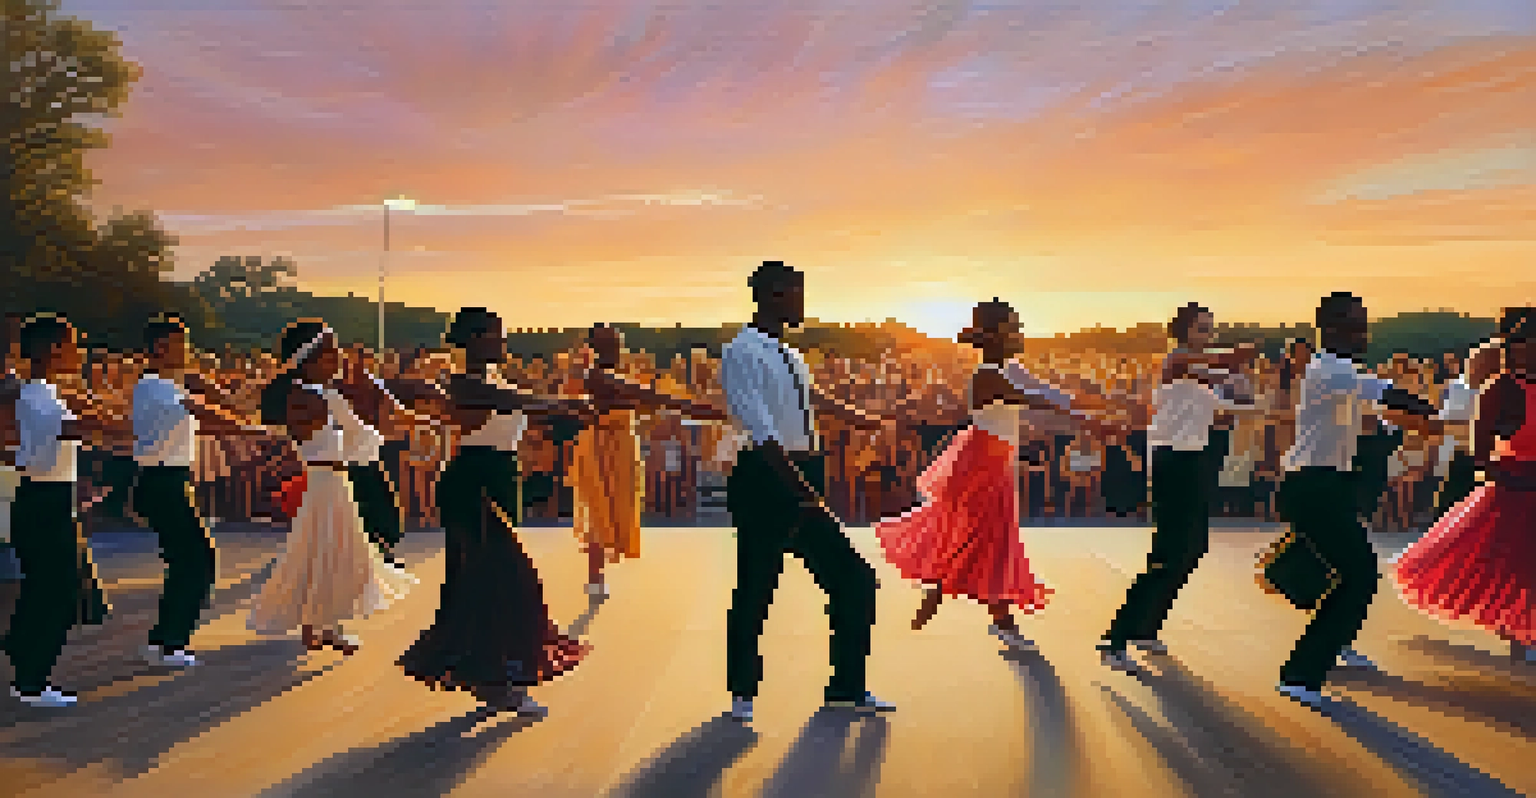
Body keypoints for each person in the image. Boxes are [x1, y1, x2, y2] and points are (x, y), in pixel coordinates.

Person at [878, 300, 1121, 652]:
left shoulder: (1009, 367)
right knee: (984, 535)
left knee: (991, 536)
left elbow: (1043, 390)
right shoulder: (989, 374)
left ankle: (978, 608)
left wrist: (1085, 403)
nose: (1020, 333)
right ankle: (965, 602)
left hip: (995, 458)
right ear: (995, 336)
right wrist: (1085, 414)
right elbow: (1033, 399)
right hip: (981, 460)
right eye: (1013, 327)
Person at [719, 260, 896, 723]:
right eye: (796, 293)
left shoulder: (790, 353)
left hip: (801, 469)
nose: (802, 301)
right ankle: (742, 693)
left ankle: (846, 688)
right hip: (767, 477)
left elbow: (809, 397)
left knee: (853, 580)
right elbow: (762, 432)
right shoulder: (741, 352)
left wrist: (856, 417)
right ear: (773, 295)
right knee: (757, 586)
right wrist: (804, 493)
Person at [398, 308, 593, 716]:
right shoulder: (461, 383)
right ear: (473, 339)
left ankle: (489, 678)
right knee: (509, 581)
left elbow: (518, 404)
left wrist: (564, 408)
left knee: (484, 585)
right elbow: (511, 401)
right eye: (495, 336)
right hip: (474, 484)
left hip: (500, 479)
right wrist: (563, 403)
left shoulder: (495, 382)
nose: (503, 343)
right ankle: (499, 679)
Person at [1273, 292, 1442, 706]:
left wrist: (1404, 426)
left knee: (1344, 568)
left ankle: (1332, 639)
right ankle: (1299, 674)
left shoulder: (1341, 372)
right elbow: (1387, 394)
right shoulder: (1329, 370)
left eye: (1364, 325)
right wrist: (1430, 410)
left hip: (1327, 484)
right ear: (1330, 330)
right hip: (1312, 486)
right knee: (1359, 573)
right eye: (1355, 326)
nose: (1364, 334)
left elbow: (1374, 414)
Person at [1100, 303, 1261, 673]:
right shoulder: (1177, 361)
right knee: (1167, 552)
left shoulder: (1200, 380)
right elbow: (1223, 364)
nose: (1207, 335)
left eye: (1210, 329)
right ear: (1184, 332)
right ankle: (1116, 638)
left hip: (1193, 462)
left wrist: (1282, 412)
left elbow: (1231, 407)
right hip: (1172, 462)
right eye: (1202, 329)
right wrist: (1237, 357)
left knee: (1193, 546)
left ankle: (1146, 627)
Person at [247, 320, 417, 654]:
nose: (340, 357)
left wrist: (410, 418)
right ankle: (321, 625)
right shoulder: (306, 398)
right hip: (325, 483)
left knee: (328, 553)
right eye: (331, 352)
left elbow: (360, 432)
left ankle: (322, 626)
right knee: (326, 552)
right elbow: (353, 439)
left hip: (335, 482)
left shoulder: (324, 394)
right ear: (310, 359)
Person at [1394, 308, 1536, 663]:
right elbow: (1480, 441)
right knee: (1513, 564)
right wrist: (1496, 473)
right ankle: (1521, 630)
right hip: (1514, 486)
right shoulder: (1500, 388)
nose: (1525, 352)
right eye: (1521, 345)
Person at [131, 313, 263, 668]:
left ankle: (163, 641)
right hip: (164, 483)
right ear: (161, 347)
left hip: (166, 481)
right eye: (182, 343)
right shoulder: (158, 386)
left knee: (186, 562)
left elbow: (210, 401)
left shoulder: (162, 384)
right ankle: (171, 645)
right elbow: (201, 410)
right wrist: (251, 432)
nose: (188, 350)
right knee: (197, 561)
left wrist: (241, 409)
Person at [3, 314, 113, 707]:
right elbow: (73, 429)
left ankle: (20, 654)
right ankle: (32, 682)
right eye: (73, 344)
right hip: (44, 502)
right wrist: (123, 429)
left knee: (44, 587)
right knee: (58, 590)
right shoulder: (38, 397)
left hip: (45, 497)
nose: (79, 351)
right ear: (53, 350)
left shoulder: (41, 392)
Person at [569, 323, 725, 598]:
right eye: (609, 344)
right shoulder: (599, 376)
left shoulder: (610, 376)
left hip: (622, 446)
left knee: (617, 504)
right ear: (596, 348)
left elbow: (646, 402)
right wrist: (706, 411)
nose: (615, 349)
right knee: (599, 507)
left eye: (617, 344)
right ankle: (595, 577)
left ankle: (599, 572)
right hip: (602, 446)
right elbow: (652, 397)